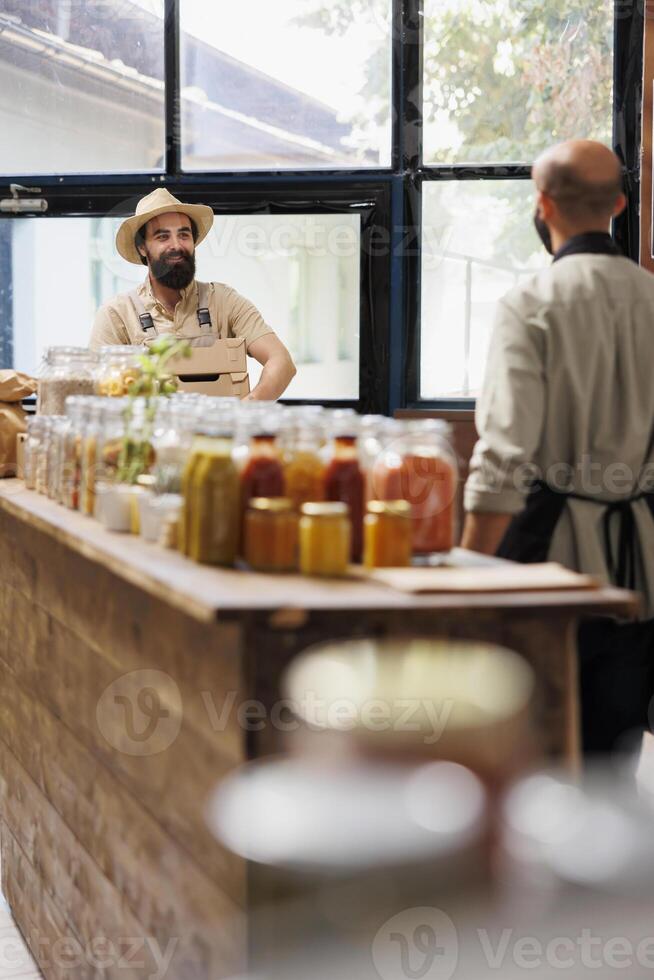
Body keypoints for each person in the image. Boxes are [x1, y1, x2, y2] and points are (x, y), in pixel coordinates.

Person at [461, 139, 654, 755]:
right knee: (612, 751)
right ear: (620, 204)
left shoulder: (530, 305)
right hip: (643, 570)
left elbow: (504, 455)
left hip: (548, 562)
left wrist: (468, 575)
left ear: (543, 205)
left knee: (534, 747)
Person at [90, 188, 297, 401]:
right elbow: (98, 391)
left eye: (184, 235)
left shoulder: (224, 301)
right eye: (162, 236)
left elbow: (281, 361)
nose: (176, 245)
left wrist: (246, 411)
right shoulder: (117, 315)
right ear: (143, 247)